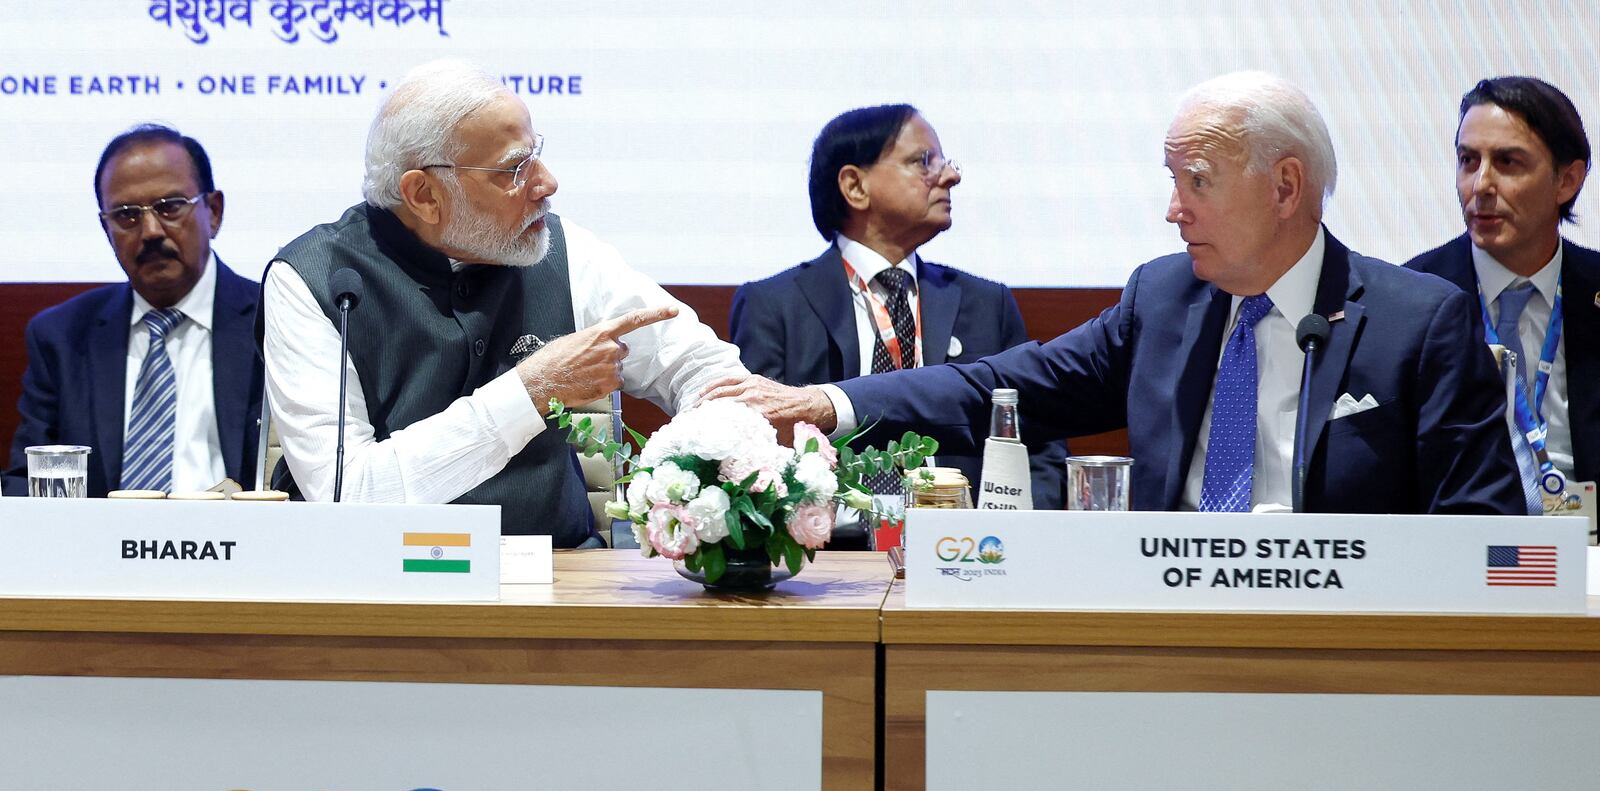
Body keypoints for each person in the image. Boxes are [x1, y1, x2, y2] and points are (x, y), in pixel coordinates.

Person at [704, 72, 1525, 515]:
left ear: (1285, 186)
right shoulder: (1164, 299)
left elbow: (1485, 538)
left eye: (1195, 182)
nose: (1173, 210)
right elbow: (1003, 385)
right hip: (1159, 635)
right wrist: (827, 403)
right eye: (1171, 182)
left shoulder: (1419, 322)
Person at [261, 59, 746, 545]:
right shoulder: (313, 279)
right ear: (424, 194)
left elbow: (699, 366)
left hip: (558, 579)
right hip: (379, 586)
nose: (546, 182)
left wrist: (709, 462)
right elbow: (347, 495)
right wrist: (529, 393)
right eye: (514, 168)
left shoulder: (561, 249)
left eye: (535, 155)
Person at [729, 104, 1066, 513]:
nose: (951, 175)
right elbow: (756, 448)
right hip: (828, 554)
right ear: (855, 186)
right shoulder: (774, 306)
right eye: (923, 161)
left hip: (970, 546)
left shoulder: (986, 304)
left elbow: (1039, 443)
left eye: (944, 161)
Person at [2, 124, 262, 497]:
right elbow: (25, 483)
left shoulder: (272, 325)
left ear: (214, 211)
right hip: (98, 550)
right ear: (106, 229)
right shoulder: (62, 337)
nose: (151, 231)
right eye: (126, 215)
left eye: (170, 207)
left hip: (241, 546)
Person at [1406, 76, 1598, 497]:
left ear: (1568, 181)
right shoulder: (1409, 298)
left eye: (1508, 162)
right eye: (1468, 161)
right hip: (1456, 543)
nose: (1481, 186)